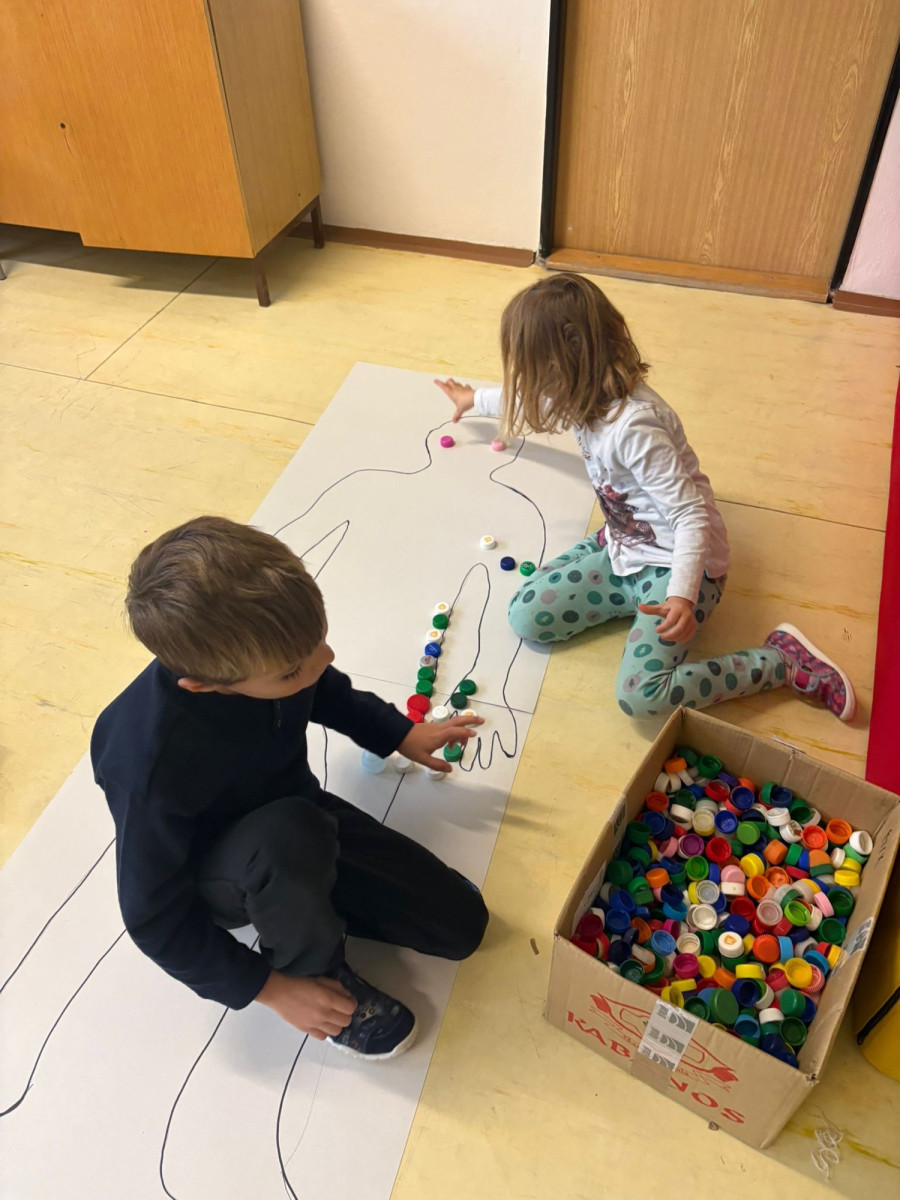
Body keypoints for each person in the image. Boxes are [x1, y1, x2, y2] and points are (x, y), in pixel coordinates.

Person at [91, 516, 487, 1060]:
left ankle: (307, 891)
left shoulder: (274, 662)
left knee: (461, 927)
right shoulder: (148, 766)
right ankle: (314, 967)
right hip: (227, 870)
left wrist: (399, 733)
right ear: (205, 685)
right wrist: (272, 989)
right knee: (288, 835)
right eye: (292, 670)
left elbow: (323, 689)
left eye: (319, 640)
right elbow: (153, 919)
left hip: (296, 819)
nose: (325, 660)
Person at [436, 273, 855, 722]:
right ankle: (607, 543)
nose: (534, 386)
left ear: (564, 367)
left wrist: (682, 597)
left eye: (538, 372)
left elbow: (691, 517)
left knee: (641, 696)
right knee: (525, 616)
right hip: (627, 546)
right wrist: (473, 398)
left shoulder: (635, 426)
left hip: (681, 568)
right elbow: (526, 401)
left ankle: (782, 662)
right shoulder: (578, 393)